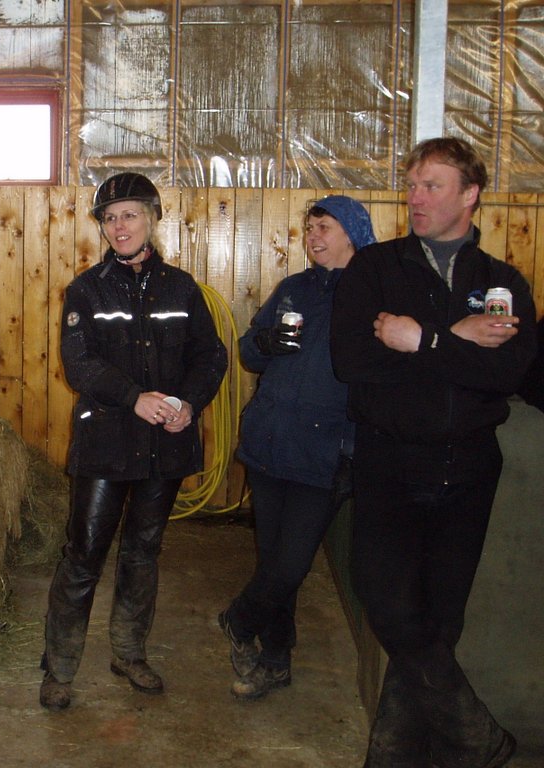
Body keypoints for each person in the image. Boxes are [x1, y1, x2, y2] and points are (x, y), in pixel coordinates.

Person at [330, 137, 537, 768]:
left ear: (470, 195)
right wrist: (457, 345)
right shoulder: (375, 269)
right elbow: (353, 362)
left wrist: (423, 341)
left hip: (469, 468)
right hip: (390, 462)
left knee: (439, 623)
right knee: (389, 603)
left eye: (432, 186)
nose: (415, 198)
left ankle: (395, 757)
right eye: (412, 185)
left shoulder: (502, 283)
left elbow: (508, 373)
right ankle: (478, 739)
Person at [39, 172, 228, 711]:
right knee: (84, 553)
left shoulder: (183, 289)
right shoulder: (86, 290)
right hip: (106, 441)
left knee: (144, 551)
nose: (119, 226)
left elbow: (210, 356)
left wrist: (189, 403)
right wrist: (133, 397)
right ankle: (59, 666)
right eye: (110, 218)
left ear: (152, 219)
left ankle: (128, 651)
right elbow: (79, 363)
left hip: (164, 444)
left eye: (130, 215)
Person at [219, 195, 375, 700]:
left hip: (325, 452)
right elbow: (249, 351)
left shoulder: (372, 295)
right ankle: (275, 659)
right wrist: (265, 344)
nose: (313, 236)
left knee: (290, 565)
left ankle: (239, 619)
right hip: (270, 442)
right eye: (310, 228)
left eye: (324, 227)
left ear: (353, 232)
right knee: (273, 561)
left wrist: (354, 449)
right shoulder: (294, 288)